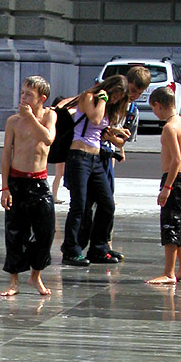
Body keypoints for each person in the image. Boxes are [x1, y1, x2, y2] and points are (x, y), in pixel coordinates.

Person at [77, 65, 152, 258]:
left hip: (106, 156)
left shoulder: (132, 109)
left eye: (139, 93)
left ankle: (100, 247)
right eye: (133, 90)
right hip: (90, 153)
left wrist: (115, 140)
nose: (134, 95)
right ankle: (79, 245)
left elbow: (119, 140)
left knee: (107, 203)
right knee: (85, 204)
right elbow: (96, 125)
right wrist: (110, 136)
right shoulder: (109, 99)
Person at [61, 75, 129, 266]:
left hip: (96, 158)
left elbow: (100, 128)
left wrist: (115, 132)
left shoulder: (106, 105)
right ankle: (71, 249)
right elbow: (95, 117)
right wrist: (104, 98)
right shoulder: (89, 98)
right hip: (79, 157)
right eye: (114, 95)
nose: (115, 100)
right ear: (109, 89)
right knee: (79, 206)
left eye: (118, 98)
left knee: (107, 204)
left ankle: (99, 247)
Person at [0, 75, 56, 296]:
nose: (23, 98)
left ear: (41, 98)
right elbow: (6, 155)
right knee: (15, 232)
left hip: (39, 182)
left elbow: (48, 139)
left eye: (29, 95)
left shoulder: (49, 116)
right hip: (17, 181)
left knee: (45, 231)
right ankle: (14, 281)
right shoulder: (13, 122)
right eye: (22, 93)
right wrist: (5, 187)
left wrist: (32, 118)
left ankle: (36, 276)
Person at [145, 87, 181, 285]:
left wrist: (167, 187)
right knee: (180, 222)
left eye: (153, 109)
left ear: (158, 105)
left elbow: (177, 159)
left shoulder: (169, 127)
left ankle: (169, 273)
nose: (155, 113)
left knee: (170, 223)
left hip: (173, 180)